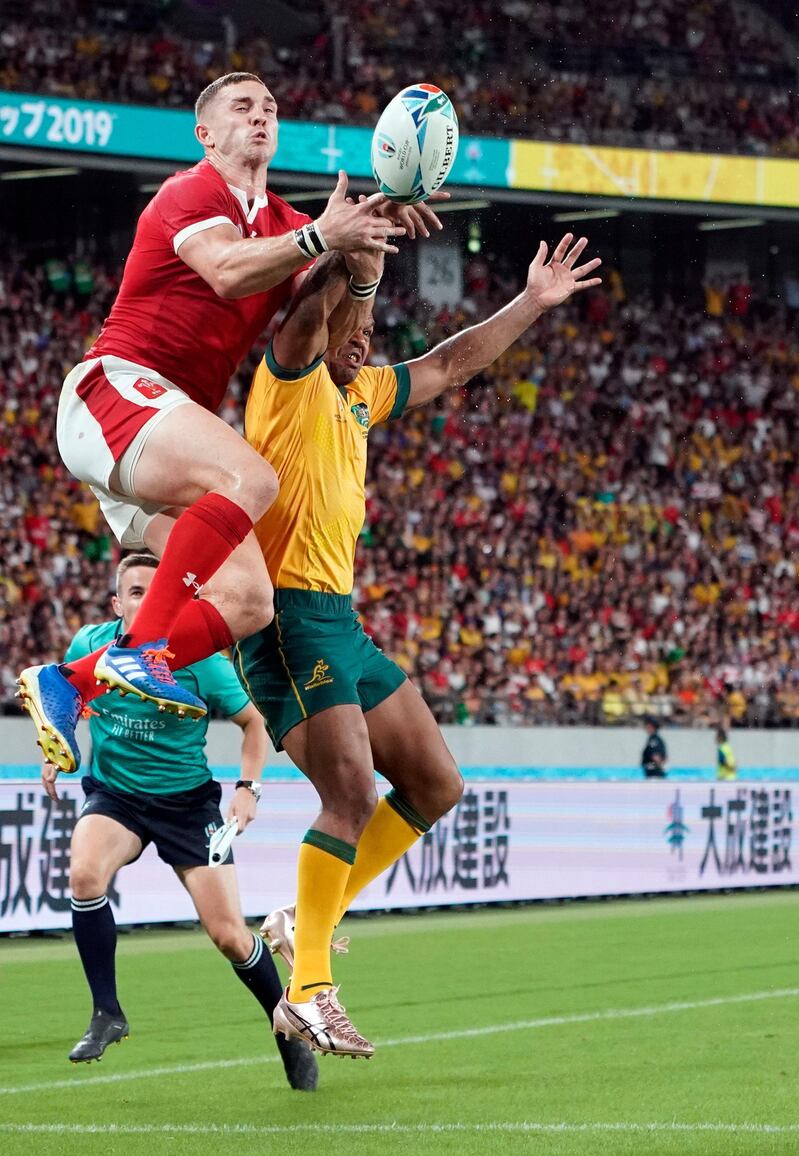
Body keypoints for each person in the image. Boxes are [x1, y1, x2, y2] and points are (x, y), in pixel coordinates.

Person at [237, 231, 602, 1056]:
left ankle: (304, 920)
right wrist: (346, 259)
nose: (365, 335)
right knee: (354, 796)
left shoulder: (360, 391)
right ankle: (310, 989)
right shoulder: (286, 381)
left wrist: (531, 303)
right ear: (324, 317)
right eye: (353, 319)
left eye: (372, 322)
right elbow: (299, 319)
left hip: (340, 618)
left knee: (436, 784)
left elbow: (449, 364)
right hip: (288, 618)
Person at [17, 70, 439, 776]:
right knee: (251, 475)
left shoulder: (282, 222)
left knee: (249, 600)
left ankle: (73, 682)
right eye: (242, 108)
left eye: (271, 107)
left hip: (158, 436)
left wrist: (368, 244)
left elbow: (329, 329)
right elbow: (223, 270)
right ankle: (142, 656)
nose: (261, 117)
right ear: (206, 134)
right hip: (114, 392)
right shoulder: (191, 192)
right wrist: (319, 238)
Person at [44, 553, 318, 1090]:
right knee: (83, 875)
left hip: (187, 806)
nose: (149, 600)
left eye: (159, 590)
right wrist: (57, 747)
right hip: (116, 797)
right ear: (117, 603)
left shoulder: (198, 659)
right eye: (137, 591)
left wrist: (247, 788)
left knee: (228, 935)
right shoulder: (89, 647)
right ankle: (107, 1013)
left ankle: (285, 1025)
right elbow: (67, 698)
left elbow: (254, 722)